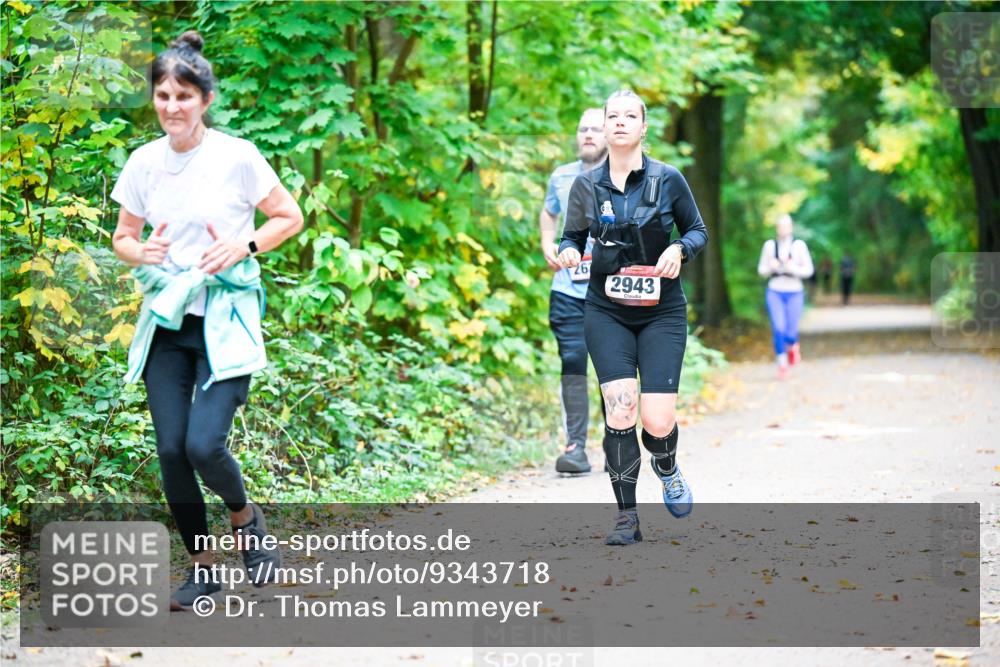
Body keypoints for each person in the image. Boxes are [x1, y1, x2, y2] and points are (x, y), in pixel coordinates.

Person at [110, 31, 304, 610]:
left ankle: (246, 519)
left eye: (184, 96)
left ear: (206, 99)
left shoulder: (237, 156)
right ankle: (202, 567)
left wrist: (244, 245)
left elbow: (287, 217)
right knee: (171, 449)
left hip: (224, 320)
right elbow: (124, 236)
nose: (172, 107)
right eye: (163, 95)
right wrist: (136, 252)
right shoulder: (144, 163)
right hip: (167, 321)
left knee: (202, 444)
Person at [557, 90, 708, 545]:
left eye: (630, 116)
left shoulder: (669, 179)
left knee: (656, 421)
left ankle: (667, 464)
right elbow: (572, 237)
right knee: (620, 411)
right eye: (612, 116)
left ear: (643, 127)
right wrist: (565, 253)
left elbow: (698, 231)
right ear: (604, 128)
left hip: (662, 312)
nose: (620, 122)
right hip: (606, 312)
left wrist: (680, 249)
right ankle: (627, 518)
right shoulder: (586, 186)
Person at [539, 108, 608, 474]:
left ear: (610, 134)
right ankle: (576, 447)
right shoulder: (561, 176)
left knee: (612, 366)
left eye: (596, 129)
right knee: (573, 361)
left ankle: (618, 443)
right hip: (567, 289)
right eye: (583, 129)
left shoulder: (625, 175)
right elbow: (549, 212)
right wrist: (547, 243)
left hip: (611, 292)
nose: (588, 135)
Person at [757, 214, 814, 380]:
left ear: (791, 227)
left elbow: (808, 271)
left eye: (786, 226)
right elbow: (761, 270)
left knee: (791, 331)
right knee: (778, 327)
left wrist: (792, 267)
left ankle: (792, 346)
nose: (783, 229)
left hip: (795, 291)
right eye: (780, 226)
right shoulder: (769, 246)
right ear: (777, 228)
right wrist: (771, 267)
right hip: (775, 291)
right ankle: (782, 364)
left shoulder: (799, 246)